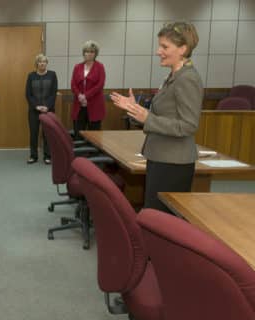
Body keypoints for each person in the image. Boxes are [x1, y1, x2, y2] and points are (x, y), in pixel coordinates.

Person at [111, 22, 203, 213]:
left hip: (173, 163)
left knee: (162, 220)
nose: (158, 51)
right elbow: (162, 115)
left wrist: (148, 118)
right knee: (155, 216)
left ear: (183, 49)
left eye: (164, 47)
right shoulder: (174, 76)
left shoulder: (187, 79)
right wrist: (135, 109)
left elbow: (188, 125)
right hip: (161, 157)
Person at [25, 54, 58, 164]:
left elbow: (53, 93)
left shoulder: (52, 75)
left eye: (44, 61)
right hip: (34, 111)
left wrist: (46, 106)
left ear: (47, 63)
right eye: (40, 61)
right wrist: (36, 106)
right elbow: (28, 94)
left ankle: (47, 156)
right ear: (36, 64)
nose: (42, 63)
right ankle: (33, 156)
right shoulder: (31, 76)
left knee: (47, 133)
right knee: (33, 133)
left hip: (48, 110)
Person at [71, 41, 106, 137]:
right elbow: (73, 84)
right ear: (83, 53)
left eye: (91, 52)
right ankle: (80, 152)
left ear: (95, 54)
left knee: (94, 136)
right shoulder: (77, 67)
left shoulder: (100, 67)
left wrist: (85, 96)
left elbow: (100, 85)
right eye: (86, 51)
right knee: (78, 134)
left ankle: (92, 152)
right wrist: (80, 96)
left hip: (95, 105)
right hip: (79, 105)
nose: (89, 54)